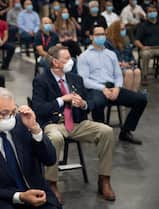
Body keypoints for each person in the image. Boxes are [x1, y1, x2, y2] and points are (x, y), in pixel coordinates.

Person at [32, 45, 116, 203]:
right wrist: (61, 100)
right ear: (56, 62)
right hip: (54, 123)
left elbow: (90, 102)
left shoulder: (75, 78)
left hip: (77, 122)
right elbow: (38, 109)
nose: (72, 61)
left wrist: (83, 104)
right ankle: (51, 183)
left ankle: (104, 179)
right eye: (67, 59)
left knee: (106, 131)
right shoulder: (41, 80)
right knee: (55, 138)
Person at [0, 87, 62, 209]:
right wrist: (20, 196)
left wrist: (35, 129)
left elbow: (50, 160)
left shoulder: (23, 124)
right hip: (2, 200)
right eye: (4, 113)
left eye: (13, 112)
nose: (9, 118)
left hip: (36, 192)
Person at [77, 26, 148, 145]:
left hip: (113, 87)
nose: (101, 37)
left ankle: (126, 131)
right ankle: (102, 134)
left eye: (103, 34)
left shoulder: (111, 54)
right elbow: (83, 80)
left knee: (141, 99)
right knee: (97, 103)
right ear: (91, 37)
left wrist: (117, 87)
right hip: (95, 87)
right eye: (98, 34)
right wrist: (102, 88)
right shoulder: (84, 56)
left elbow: (118, 75)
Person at [106, 20, 141, 92]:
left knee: (137, 71)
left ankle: (134, 95)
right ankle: (127, 97)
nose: (124, 31)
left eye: (124, 29)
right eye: (122, 29)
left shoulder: (126, 40)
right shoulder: (108, 43)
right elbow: (107, 59)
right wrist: (121, 63)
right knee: (129, 72)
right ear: (116, 31)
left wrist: (131, 62)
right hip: (115, 66)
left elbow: (131, 56)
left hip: (127, 65)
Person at [134, 5, 159, 84]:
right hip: (147, 49)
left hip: (158, 47)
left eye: (154, 11)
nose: (152, 13)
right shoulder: (143, 26)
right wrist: (142, 47)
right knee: (145, 54)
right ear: (147, 14)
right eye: (150, 12)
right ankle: (144, 76)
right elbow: (136, 40)